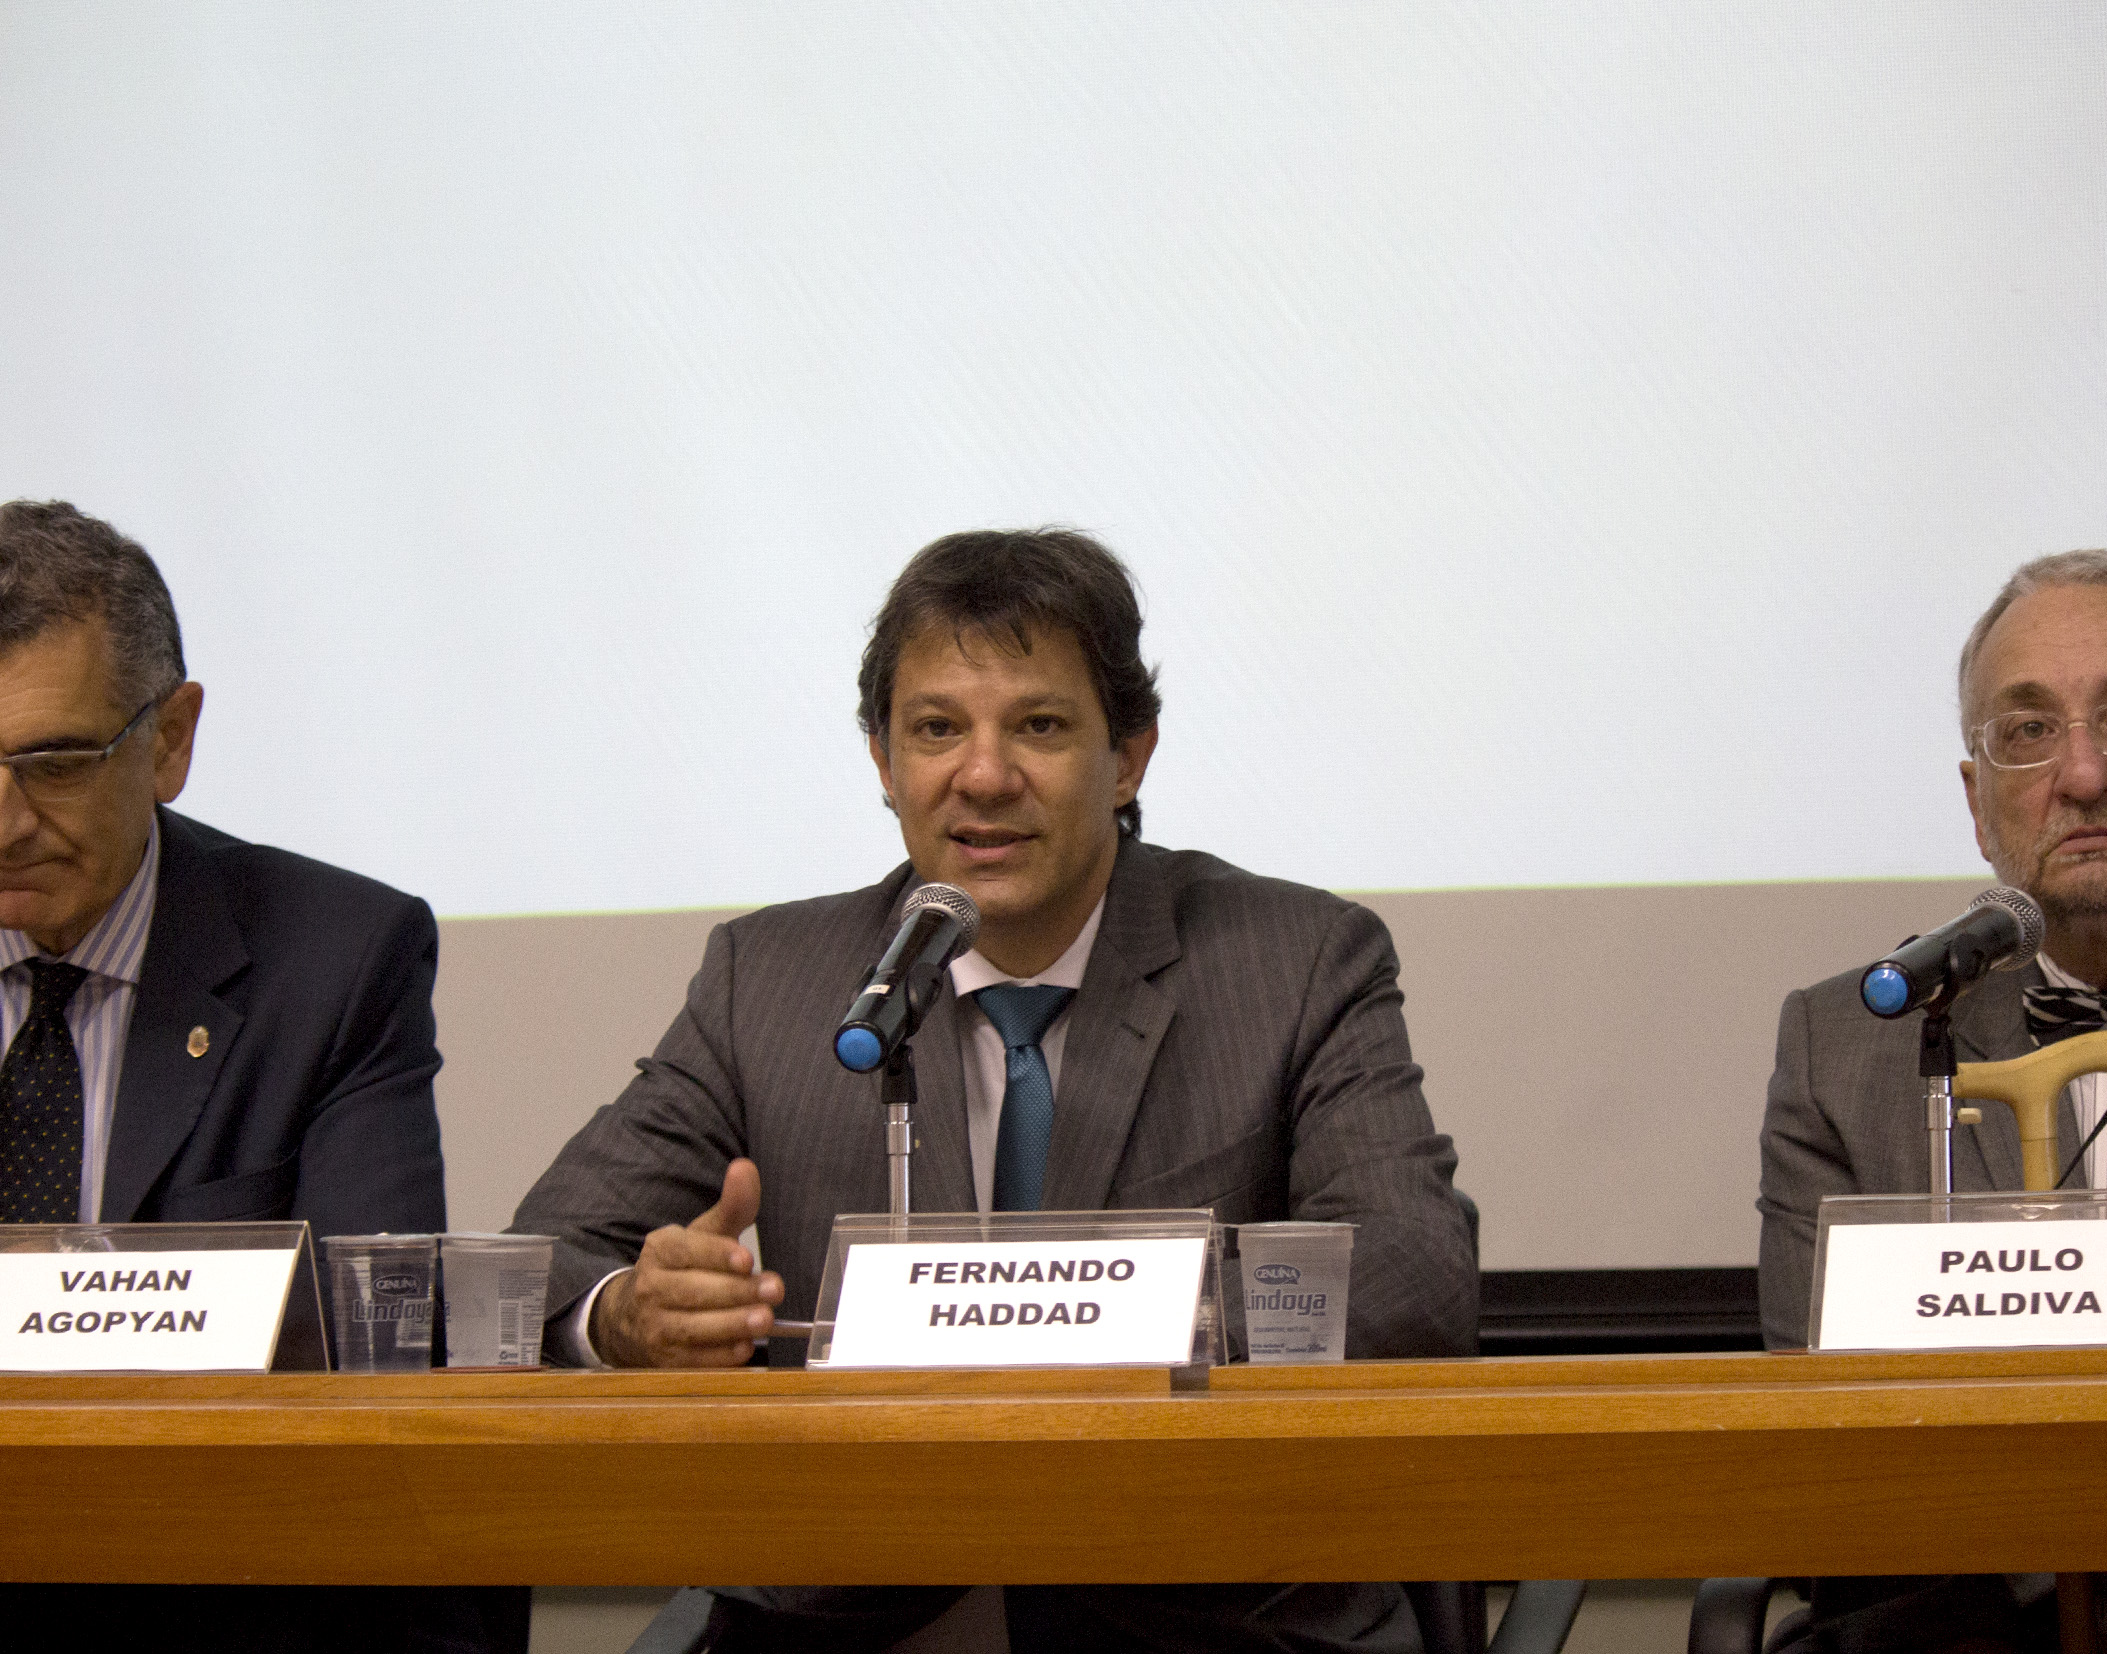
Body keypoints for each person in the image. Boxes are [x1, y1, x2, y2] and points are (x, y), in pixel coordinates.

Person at [515, 527, 1479, 1652]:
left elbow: (1414, 1270)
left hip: (1202, 1610)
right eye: (935, 729)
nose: (982, 774)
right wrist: (629, 1316)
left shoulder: (1296, 958)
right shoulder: (767, 980)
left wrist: (1088, 1303)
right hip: (847, 1616)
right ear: (881, 760)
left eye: (1038, 725)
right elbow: (543, 1259)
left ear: (1127, 758)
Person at [0, 499, 521, 1652]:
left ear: (170, 738)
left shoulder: (338, 956)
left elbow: (375, 1328)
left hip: (211, 1590)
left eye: (51, 763)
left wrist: (31, 1308)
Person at [1757, 549, 2107, 1652]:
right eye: (2025, 732)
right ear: (1976, 798)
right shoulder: (1843, 1045)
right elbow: (1825, 1454)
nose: (2083, 774)